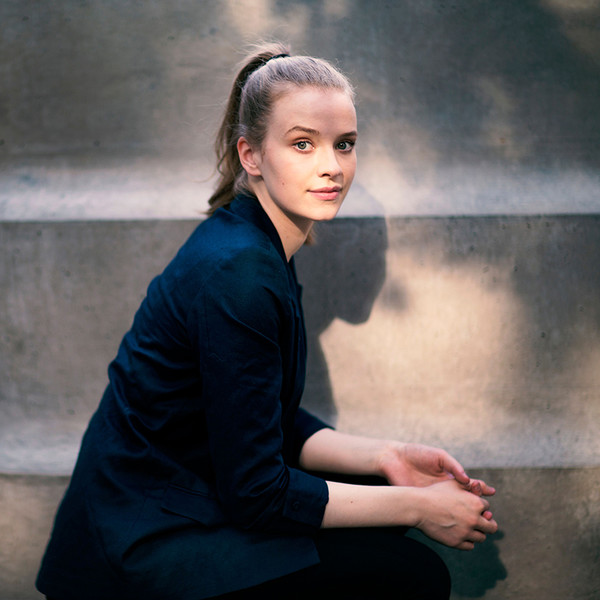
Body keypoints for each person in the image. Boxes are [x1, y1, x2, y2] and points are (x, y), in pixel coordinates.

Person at [36, 42, 497, 600]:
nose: (332, 166)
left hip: (187, 498)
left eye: (344, 144)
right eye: (303, 144)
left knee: (379, 501)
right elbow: (257, 492)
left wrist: (387, 456)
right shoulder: (240, 274)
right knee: (412, 573)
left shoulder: (261, 242)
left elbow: (259, 416)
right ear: (251, 155)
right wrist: (418, 505)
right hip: (144, 538)